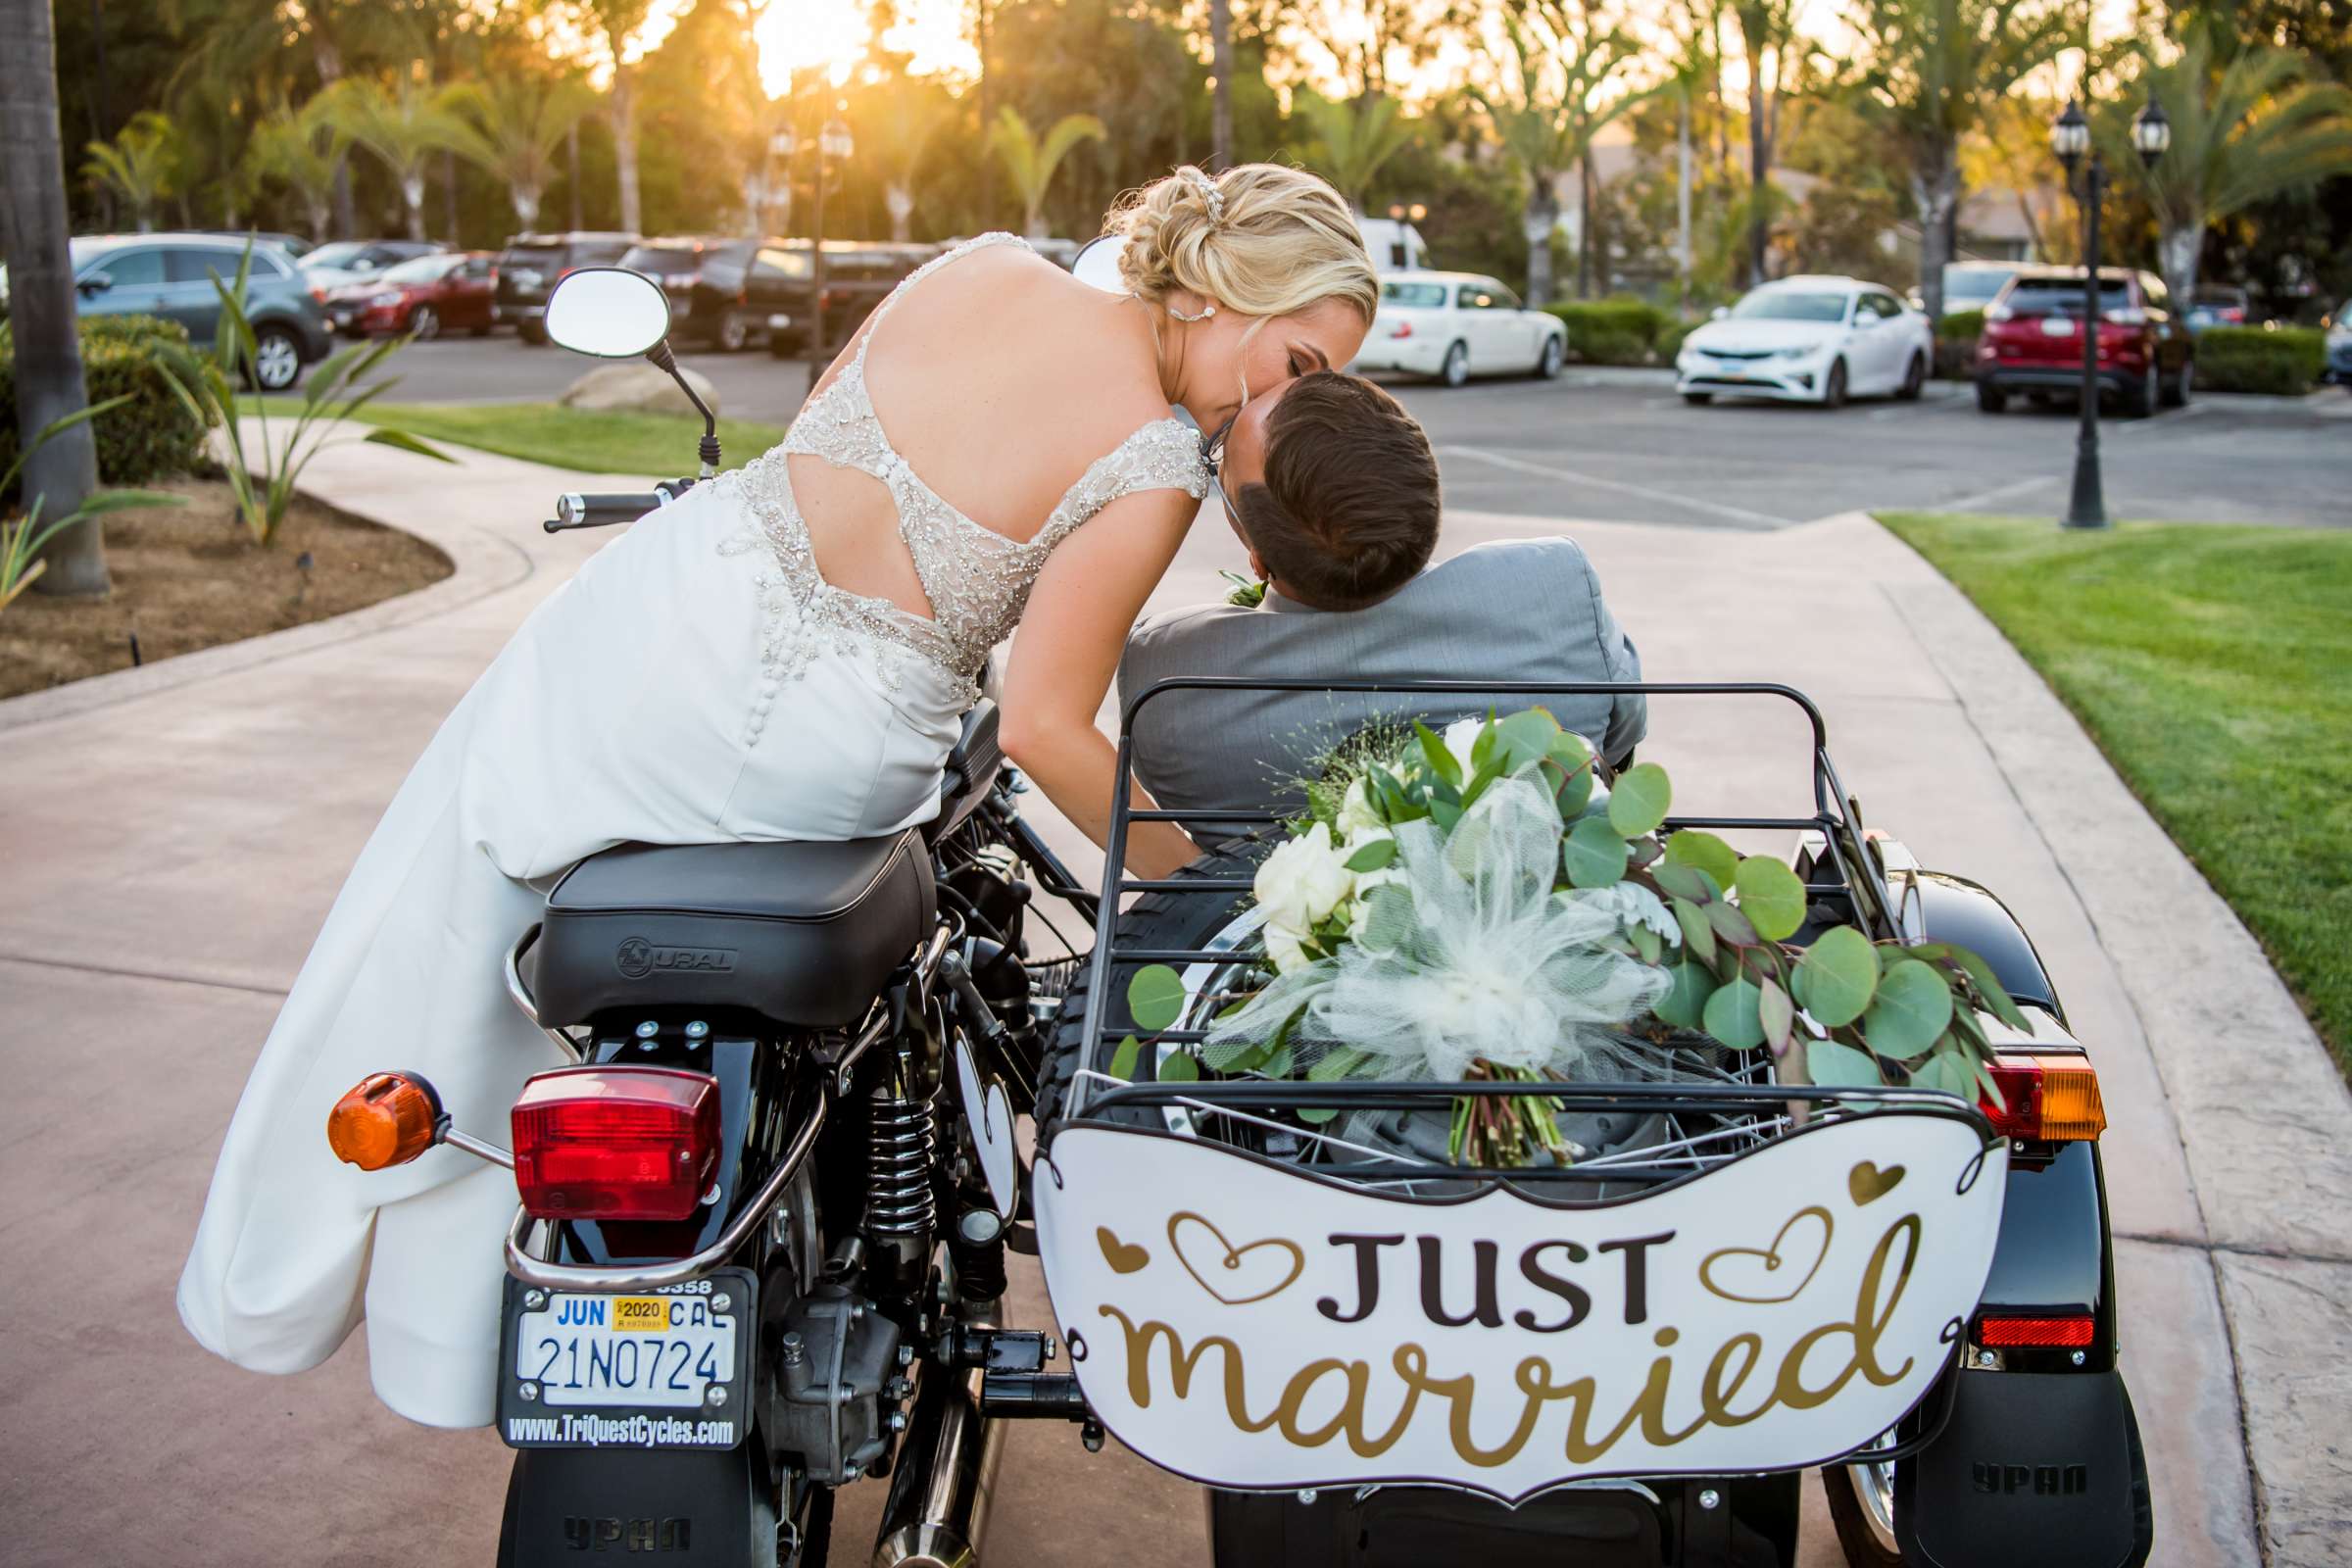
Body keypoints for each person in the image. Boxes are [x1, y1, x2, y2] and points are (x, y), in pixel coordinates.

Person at [177, 164, 1378, 1428]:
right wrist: (1225, 886)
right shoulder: (1151, 466)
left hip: (659, 632)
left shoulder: (975, 262)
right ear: (1234, 289)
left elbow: (808, 451)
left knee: (448, 904)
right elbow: (1041, 726)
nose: (1285, 408)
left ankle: (343, 1291)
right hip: (830, 750)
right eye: (1299, 364)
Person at [1118, 371, 1643, 833]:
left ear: (1257, 559)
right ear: (1426, 493)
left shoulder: (1170, 671)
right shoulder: (1549, 581)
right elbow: (1620, 736)